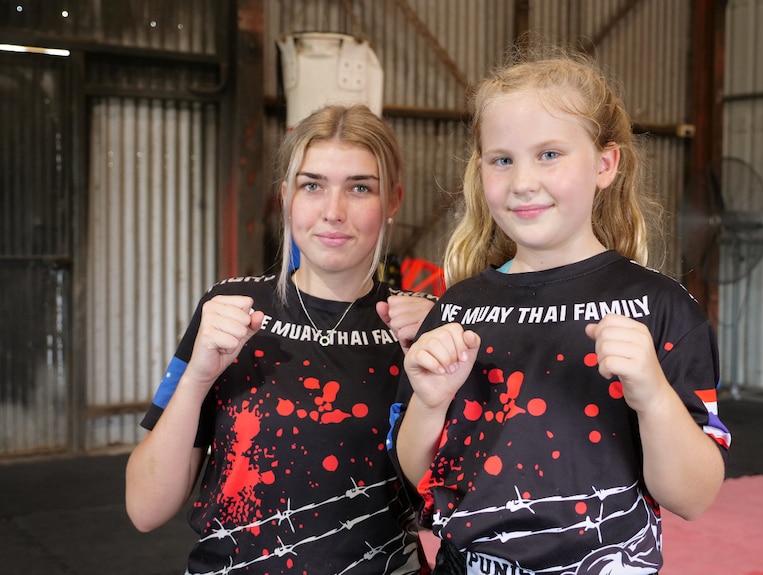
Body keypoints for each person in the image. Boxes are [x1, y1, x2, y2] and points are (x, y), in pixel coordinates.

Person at [387, 48, 732, 575]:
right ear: (481, 171)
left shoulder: (661, 307)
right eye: (503, 159)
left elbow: (694, 496)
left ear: (605, 164)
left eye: (549, 154)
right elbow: (417, 474)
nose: (523, 181)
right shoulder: (459, 307)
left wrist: (653, 396)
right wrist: (430, 405)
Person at [126, 104, 435, 575]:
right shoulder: (231, 309)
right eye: (313, 186)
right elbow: (145, 508)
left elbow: (452, 502)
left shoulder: (420, 327)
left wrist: (437, 372)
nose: (333, 212)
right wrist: (198, 378)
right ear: (287, 196)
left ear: (392, 201)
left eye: (359, 188)